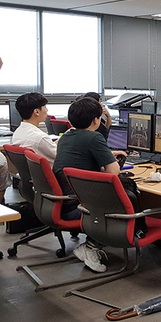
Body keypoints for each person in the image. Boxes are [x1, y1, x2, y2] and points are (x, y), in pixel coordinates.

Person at [53, 97, 127, 273]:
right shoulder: (94, 137)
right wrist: (110, 159)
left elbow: (81, 155)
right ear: (96, 120)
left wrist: (106, 154)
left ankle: (94, 243)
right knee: (124, 202)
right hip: (79, 207)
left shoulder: (66, 136)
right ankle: (91, 246)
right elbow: (113, 172)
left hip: (61, 201)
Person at [11, 92, 58, 166]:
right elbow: (59, 155)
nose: (47, 110)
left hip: (32, 176)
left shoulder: (18, 132)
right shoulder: (40, 138)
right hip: (51, 175)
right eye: (45, 107)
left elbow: (48, 147)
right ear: (37, 112)